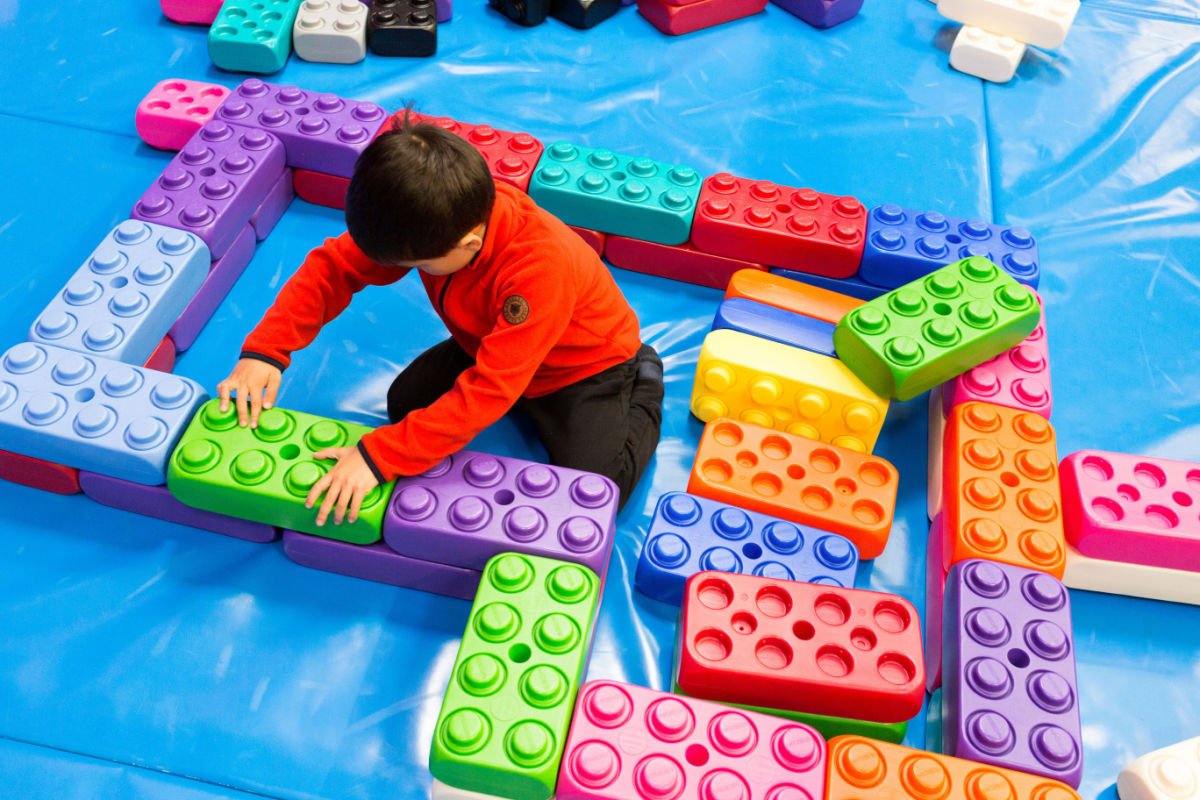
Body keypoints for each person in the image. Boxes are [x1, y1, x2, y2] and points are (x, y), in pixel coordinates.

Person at [216, 114, 664, 527]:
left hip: (584, 366)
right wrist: (266, 352)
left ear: (469, 243)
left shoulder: (540, 268)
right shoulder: (429, 216)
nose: (410, 268)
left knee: (598, 491)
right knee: (404, 405)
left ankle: (644, 378)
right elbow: (335, 268)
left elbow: (491, 389)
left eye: (419, 264)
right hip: (489, 341)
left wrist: (377, 457)